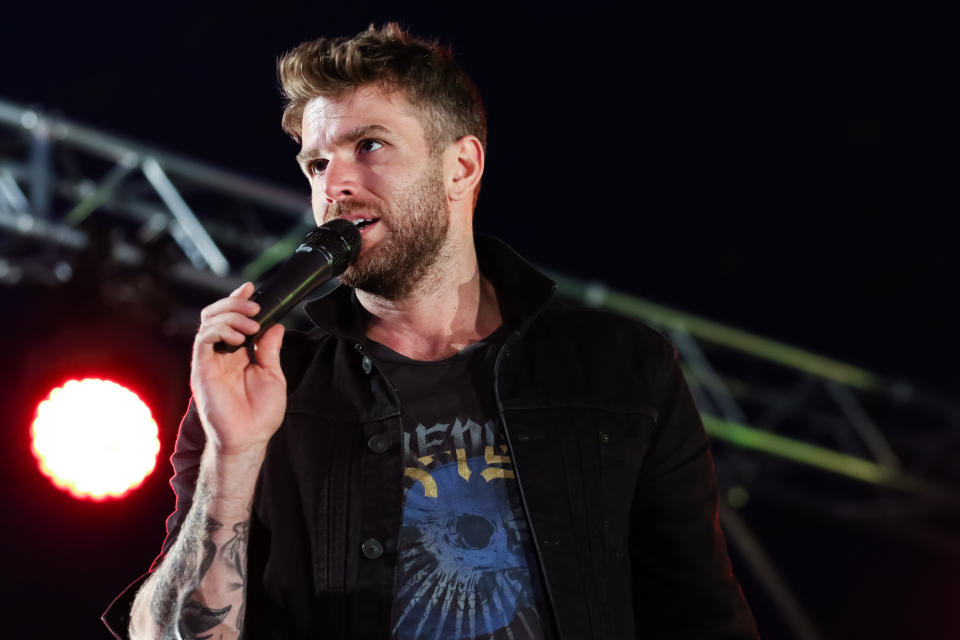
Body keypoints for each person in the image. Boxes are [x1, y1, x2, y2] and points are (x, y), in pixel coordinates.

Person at [105, 23, 758, 640]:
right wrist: (233, 455)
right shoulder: (268, 384)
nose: (336, 185)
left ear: (462, 166)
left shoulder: (619, 369)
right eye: (316, 164)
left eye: (369, 146)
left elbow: (700, 617)